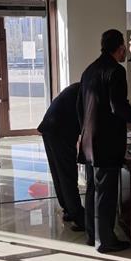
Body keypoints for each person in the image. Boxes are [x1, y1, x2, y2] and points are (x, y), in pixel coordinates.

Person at [77, 29, 131, 253]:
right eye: (124, 47)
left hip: (89, 140)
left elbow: (80, 106)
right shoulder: (115, 71)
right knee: (106, 193)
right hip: (106, 142)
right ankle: (105, 240)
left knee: (93, 190)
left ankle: (92, 235)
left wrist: (84, 132)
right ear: (121, 47)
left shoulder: (90, 69)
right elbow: (118, 106)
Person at [36, 83, 85, 231]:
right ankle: (79, 218)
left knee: (59, 173)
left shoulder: (79, 87)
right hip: (60, 131)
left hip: (50, 128)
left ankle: (68, 209)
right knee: (67, 175)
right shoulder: (89, 92)